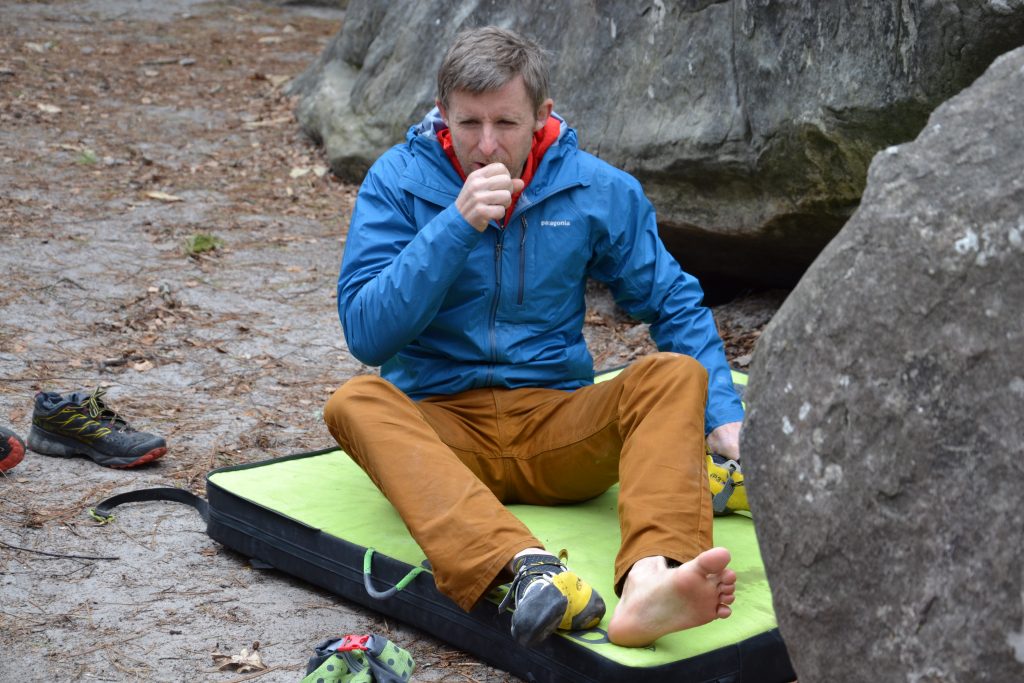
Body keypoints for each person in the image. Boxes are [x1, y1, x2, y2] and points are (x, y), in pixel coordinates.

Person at [323, 26, 743, 649]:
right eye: (468, 123)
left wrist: (724, 419)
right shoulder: (397, 181)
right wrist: (455, 225)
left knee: (677, 377)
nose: (486, 144)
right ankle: (525, 569)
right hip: (443, 434)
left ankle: (653, 579)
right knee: (354, 401)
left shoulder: (595, 187)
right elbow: (367, 332)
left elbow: (672, 300)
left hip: (555, 427)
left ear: (542, 116)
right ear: (443, 114)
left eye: (506, 124)